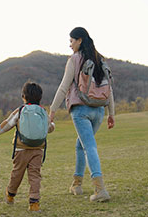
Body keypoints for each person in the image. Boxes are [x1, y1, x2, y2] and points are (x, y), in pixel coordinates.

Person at [49, 27, 115, 202]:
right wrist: (111, 113)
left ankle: (100, 189)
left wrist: (52, 110)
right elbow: (109, 89)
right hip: (99, 109)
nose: (70, 44)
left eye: (71, 41)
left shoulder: (75, 59)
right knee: (81, 145)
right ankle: (76, 185)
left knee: (89, 147)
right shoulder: (100, 59)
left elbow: (64, 87)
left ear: (79, 40)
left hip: (81, 110)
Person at [0, 82, 55, 212]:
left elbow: (7, 124)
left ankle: (10, 195)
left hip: (21, 148)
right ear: (40, 97)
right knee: (35, 176)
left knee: (17, 173)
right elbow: (50, 128)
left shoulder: (20, 110)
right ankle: (34, 203)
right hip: (38, 149)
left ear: (23, 96)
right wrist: (52, 124)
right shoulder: (43, 112)